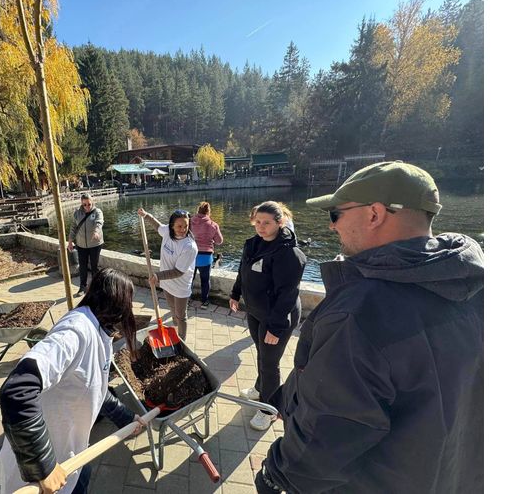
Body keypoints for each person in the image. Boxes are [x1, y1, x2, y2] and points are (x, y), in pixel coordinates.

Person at [255, 161, 484, 494]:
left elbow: (322, 442)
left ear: (375, 214)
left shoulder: (359, 312)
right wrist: (287, 398)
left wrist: (274, 477)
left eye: (337, 214)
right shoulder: (479, 285)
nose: (333, 227)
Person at [0, 268, 147, 494]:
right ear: (118, 302)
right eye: (129, 302)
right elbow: (17, 390)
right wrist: (42, 466)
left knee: (83, 476)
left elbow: (94, 385)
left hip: (72, 454)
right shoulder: (75, 331)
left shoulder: (99, 330)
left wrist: (125, 417)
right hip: (44, 470)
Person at [230, 201, 306, 431]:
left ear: (280, 222)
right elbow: (243, 271)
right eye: (258, 222)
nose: (261, 227)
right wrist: (235, 294)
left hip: (278, 317)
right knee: (262, 355)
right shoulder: (253, 244)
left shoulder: (289, 254)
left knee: (270, 363)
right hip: (255, 312)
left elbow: (287, 295)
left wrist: (275, 327)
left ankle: (269, 409)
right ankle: (260, 387)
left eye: (267, 223)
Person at [137, 207, 198, 339]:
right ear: (171, 226)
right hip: (167, 283)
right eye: (179, 226)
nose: (183, 230)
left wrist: (158, 276)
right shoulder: (167, 232)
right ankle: (175, 329)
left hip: (181, 285)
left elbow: (178, 271)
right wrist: (146, 215)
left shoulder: (189, 247)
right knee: (172, 308)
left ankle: (182, 340)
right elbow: (157, 225)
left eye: (186, 226)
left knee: (181, 316)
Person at [67, 194, 104, 295]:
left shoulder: (97, 212)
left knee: (94, 266)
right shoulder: (77, 213)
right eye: (85, 205)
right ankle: (82, 287)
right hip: (81, 245)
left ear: (92, 202)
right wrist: (70, 241)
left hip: (95, 244)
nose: (87, 207)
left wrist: (96, 232)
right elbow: (73, 227)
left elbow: (99, 223)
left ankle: (95, 288)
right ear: (81, 204)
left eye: (89, 204)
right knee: (82, 266)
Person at [189, 201, 224, 309]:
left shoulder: (189, 222)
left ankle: (186, 300)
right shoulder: (213, 225)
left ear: (197, 210)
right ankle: (204, 302)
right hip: (206, 257)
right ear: (208, 212)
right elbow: (219, 241)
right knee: (205, 280)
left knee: (189, 279)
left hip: (191, 255)